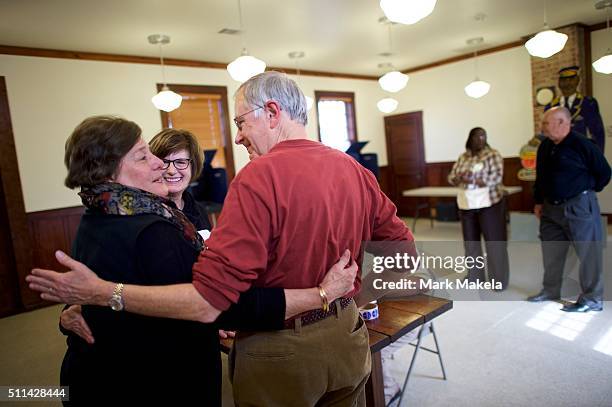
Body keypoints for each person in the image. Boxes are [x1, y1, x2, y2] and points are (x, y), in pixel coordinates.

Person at [28, 72, 415, 406]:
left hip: (281, 349)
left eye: (242, 122)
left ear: (273, 113)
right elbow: (404, 255)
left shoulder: (259, 176)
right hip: (348, 337)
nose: (239, 135)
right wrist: (353, 299)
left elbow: (210, 300)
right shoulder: (355, 170)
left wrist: (103, 294)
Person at [47, 115, 357, 405]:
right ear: (107, 172)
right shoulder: (153, 229)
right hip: (146, 380)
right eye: (145, 156)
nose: (163, 167)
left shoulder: (102, 212)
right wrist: (322, 294)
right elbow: (218, 305)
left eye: (180, 161)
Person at [59, 128, 216, 343]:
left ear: (193, 166)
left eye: (180, 162)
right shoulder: (141, 223)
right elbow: (91, 279)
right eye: (159, 159)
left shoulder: (196, 211)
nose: (168, 169)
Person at [527, 107, 610, 312]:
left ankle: (592, 299)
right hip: (550, 208)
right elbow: (541, 177)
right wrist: (538, 202)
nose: (542, 127)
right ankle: (550, 290)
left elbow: (604, 173)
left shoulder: (583, 144)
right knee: (552, 252)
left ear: (562, 122)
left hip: (579, 206)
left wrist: (586, 191)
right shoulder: (545, 146)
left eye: (546, 123)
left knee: (588, 253)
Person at [448, 127, 510, 289]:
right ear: (470, 138)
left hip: (490, 204)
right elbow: (451, 177)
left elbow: (496, 177)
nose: (480, 139)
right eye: (477, 136)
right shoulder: (463, 157)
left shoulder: (492, 154)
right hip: (467, 204)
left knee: (494, 242)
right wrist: (460, 177)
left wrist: (473, 179)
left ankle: (498, 280)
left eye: (483, 136)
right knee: (471, 243)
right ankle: (475, 277)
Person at [544, 66, 605, 151]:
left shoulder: (587, 103)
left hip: (580, 153)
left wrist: (597, 158)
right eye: (564, 80)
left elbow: (597, 133)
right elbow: (546, 133)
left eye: (571, 80)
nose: (567, 84)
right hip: (558, 154)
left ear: (577, 81)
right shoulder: (550, 106)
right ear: (559, 83)